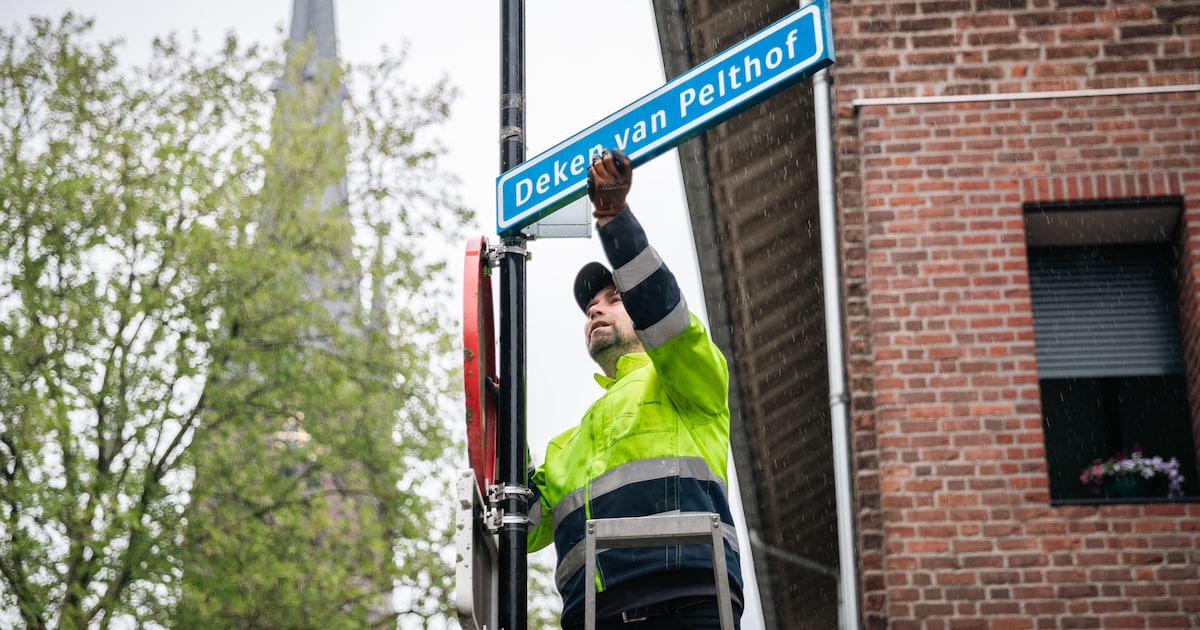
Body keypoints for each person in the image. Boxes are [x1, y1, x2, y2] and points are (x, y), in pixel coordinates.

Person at [527, 148, 743, 629]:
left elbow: (667, 316)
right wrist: (497, 400)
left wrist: (614, 222)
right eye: (591, 307)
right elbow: (521, 524)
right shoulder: (566, 446)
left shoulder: (687, 381)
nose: (595, 310)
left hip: (690, 606)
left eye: (614, 299)